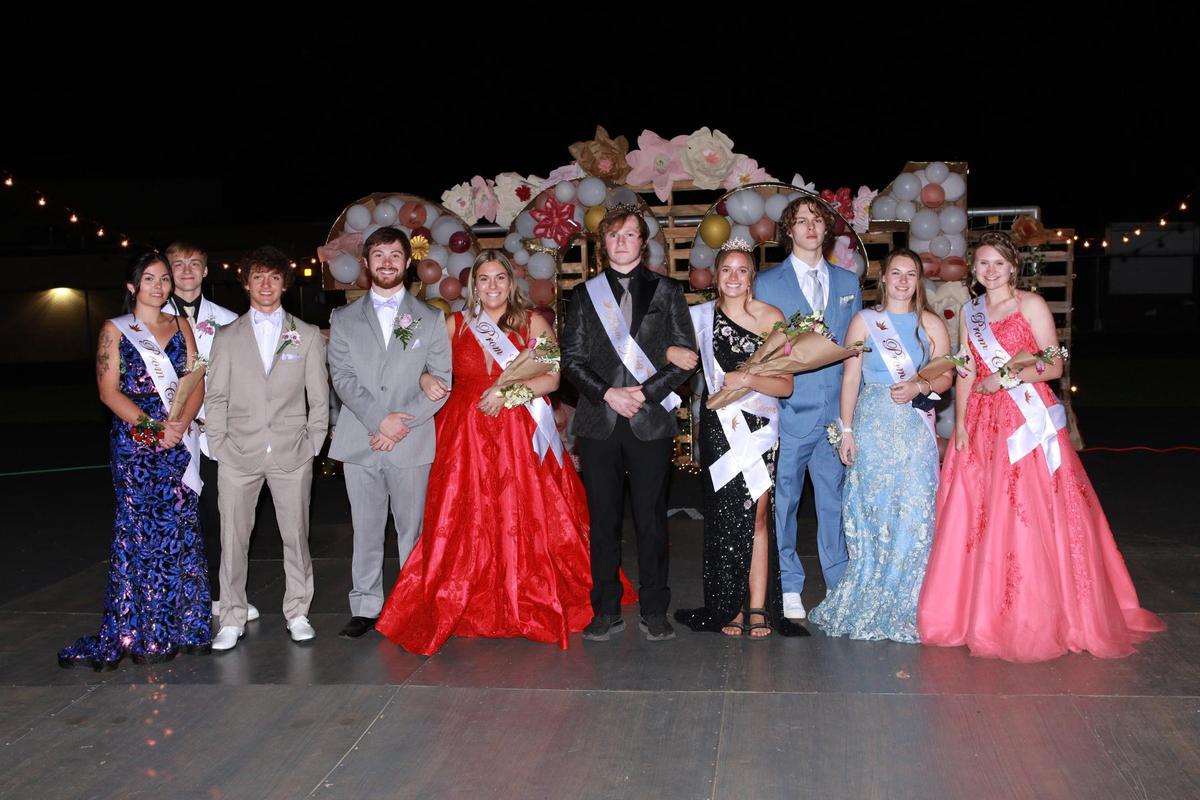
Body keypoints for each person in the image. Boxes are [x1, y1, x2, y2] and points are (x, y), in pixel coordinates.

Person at [917, 232, 1165, 661]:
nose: (990, 271)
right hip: (982, 420)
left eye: (998, 263)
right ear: (974, 269)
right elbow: (967, 369)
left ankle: (1038, 613)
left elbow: (1052, 365)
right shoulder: (971, 312)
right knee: (983, 512)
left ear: (1013, 266)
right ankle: (980, 611)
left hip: (1025, 420)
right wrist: (960, 424)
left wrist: (1006, 378)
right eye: (983, 263)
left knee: (1027, 510)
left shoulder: (1030, 304)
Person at [375, 252, 631, 654]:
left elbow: (552, 378)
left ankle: (528, 589)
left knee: (524, 509)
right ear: (473, 285)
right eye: (484, 279)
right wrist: (425, 379)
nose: (492, 286)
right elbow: (420, 365)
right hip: (465, 433)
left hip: (518, 428)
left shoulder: (534, 322)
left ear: (511, 283)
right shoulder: (454, 324)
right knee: (465, 513)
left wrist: (508, 393)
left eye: (499, 278)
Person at [59, 253, 211, 668]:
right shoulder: (115, 330)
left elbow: (195, 379)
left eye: (164, 279)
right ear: (132, 286)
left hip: (178, 437)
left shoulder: (181, 325)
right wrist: (154, 429)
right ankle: (145, 629)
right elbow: (108, 392)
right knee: (142, 531)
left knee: (181, 526)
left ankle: (187, 625)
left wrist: (179, 424)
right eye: (149, 279)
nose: (159, 286)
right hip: (136, 443)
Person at [561, 206, 697, 642]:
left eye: (630, 234)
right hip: (598, 421)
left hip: (649, 420)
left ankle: (655, 608)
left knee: (651, 521)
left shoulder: (668, 291)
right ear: (604, 244)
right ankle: (605, 609)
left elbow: (686, 357)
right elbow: (571, 360)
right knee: (602, 521)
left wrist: (645, 393)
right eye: (614, 235)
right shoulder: (585, 294)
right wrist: (608, 393)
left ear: (643, 242)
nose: (622, 242)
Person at [808, 249, 951, 642]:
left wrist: (920, 385)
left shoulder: (931, 324)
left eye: (911, 274)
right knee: (873, 514)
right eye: (896, 273)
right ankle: (872, 591)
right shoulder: (864, 321)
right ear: (883, 277)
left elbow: (945, 377)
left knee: (915, 515)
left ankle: (911, 600)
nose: (903, 281)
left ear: (918, 280)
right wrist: (847, 430)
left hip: (914, 431)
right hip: (871, 427)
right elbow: (850, 378)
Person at [672, 240, 806, 638]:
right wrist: (668, 353)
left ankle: (758, 606)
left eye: (742, 270)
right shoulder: (698, 318)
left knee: (758, 516)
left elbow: (785, 386)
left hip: (760, 428)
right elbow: (674, 361)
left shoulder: (772, 317)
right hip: (719, 427)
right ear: (716, 277)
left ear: (752, 278)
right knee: (723, 517)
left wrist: (746, 378)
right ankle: (728, 605)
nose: (734, 277)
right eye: (726, 270)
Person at [327, 227, 452, 639]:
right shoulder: (343, 318)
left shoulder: (430, 318)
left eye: (395, 255)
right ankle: (365, 605)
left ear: (407, 262)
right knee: (365, 528)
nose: (387, 262)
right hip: (361, 439)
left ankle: (412, 602)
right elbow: (342, 378)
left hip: (411, 440)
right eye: (378, 255)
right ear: (365, 263)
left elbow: (442, 381)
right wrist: (379, 420)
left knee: (411, 530)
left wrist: (400, 424)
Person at [204, 247, 329, 651]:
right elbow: (215, 396)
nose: (265, 285)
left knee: (296, 536)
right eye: (257, 277)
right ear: (245, 283)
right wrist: (219, 444)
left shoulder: (306, 334)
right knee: (233, 540)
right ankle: (231, 617)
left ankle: (298, 612)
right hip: (237, 454)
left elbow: (319, 398)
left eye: (274, 277)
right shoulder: (226, 336)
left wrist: (312, 443)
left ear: (284, 284)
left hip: (293, 453)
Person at [754, 196, 861, 620]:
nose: (811, 227)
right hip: (788, 411)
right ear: (789, 230)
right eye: (801, 221)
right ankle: (788, 583)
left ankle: (838, 581)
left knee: (834, 502)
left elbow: (855, 350)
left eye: (817, 219)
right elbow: (762, 352)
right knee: (785, 503)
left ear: (826, 229)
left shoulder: (848, 282)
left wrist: (851, 416)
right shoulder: (767, 283)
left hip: (835, 414)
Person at [160, 241, 253, 621]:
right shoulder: (149, 318)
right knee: (172, 516)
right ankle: (171, 596)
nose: (186, 271)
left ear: (206, 270)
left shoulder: (229, 319)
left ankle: (219, 595)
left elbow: (243, 378)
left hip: (216, 435)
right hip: (169, 434)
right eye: (178, 264)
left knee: (219, 517)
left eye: (194, 263)